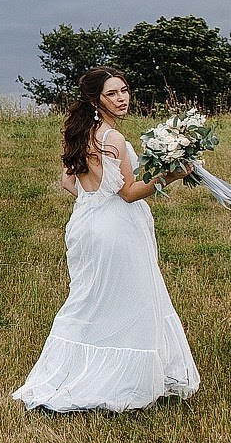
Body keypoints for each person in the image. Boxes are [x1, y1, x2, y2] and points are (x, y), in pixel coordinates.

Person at [14, 66, 200, 412]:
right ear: (95, 100)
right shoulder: (112, 138)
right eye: (112, 94)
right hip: (117, 229)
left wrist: (93, 201)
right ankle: (118, 382)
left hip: (85, 224)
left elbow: (68, 182)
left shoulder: (80, 133)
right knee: (130, 301)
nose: (121, 98)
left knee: (89, 298)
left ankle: (69, 372)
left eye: (124, 90)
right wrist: (171, 175)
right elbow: (129, 193)